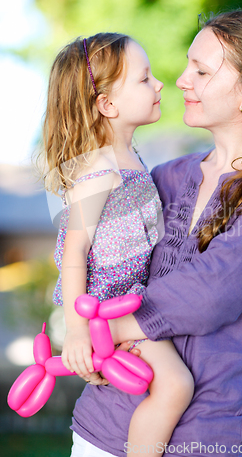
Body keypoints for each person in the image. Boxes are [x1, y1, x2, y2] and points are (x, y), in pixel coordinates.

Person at [69, 10, 242, 457]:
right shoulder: (163, 176)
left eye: (201, 71)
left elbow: (212, 291)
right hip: (100, 429)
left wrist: (104, 330)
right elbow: (89, 252)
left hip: (206, 438)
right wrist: (77, 326)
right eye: (188, 65)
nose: (182, 80)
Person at [40, 33, 194, 455]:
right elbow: (73, 252)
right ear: (107, 105)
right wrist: (76, 331)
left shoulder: (133, 159)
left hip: (130, 303)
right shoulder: (98, 168)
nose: (160, 84)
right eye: (145, 79)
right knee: (176, 384)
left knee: (158, 383)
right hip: (106, 307)